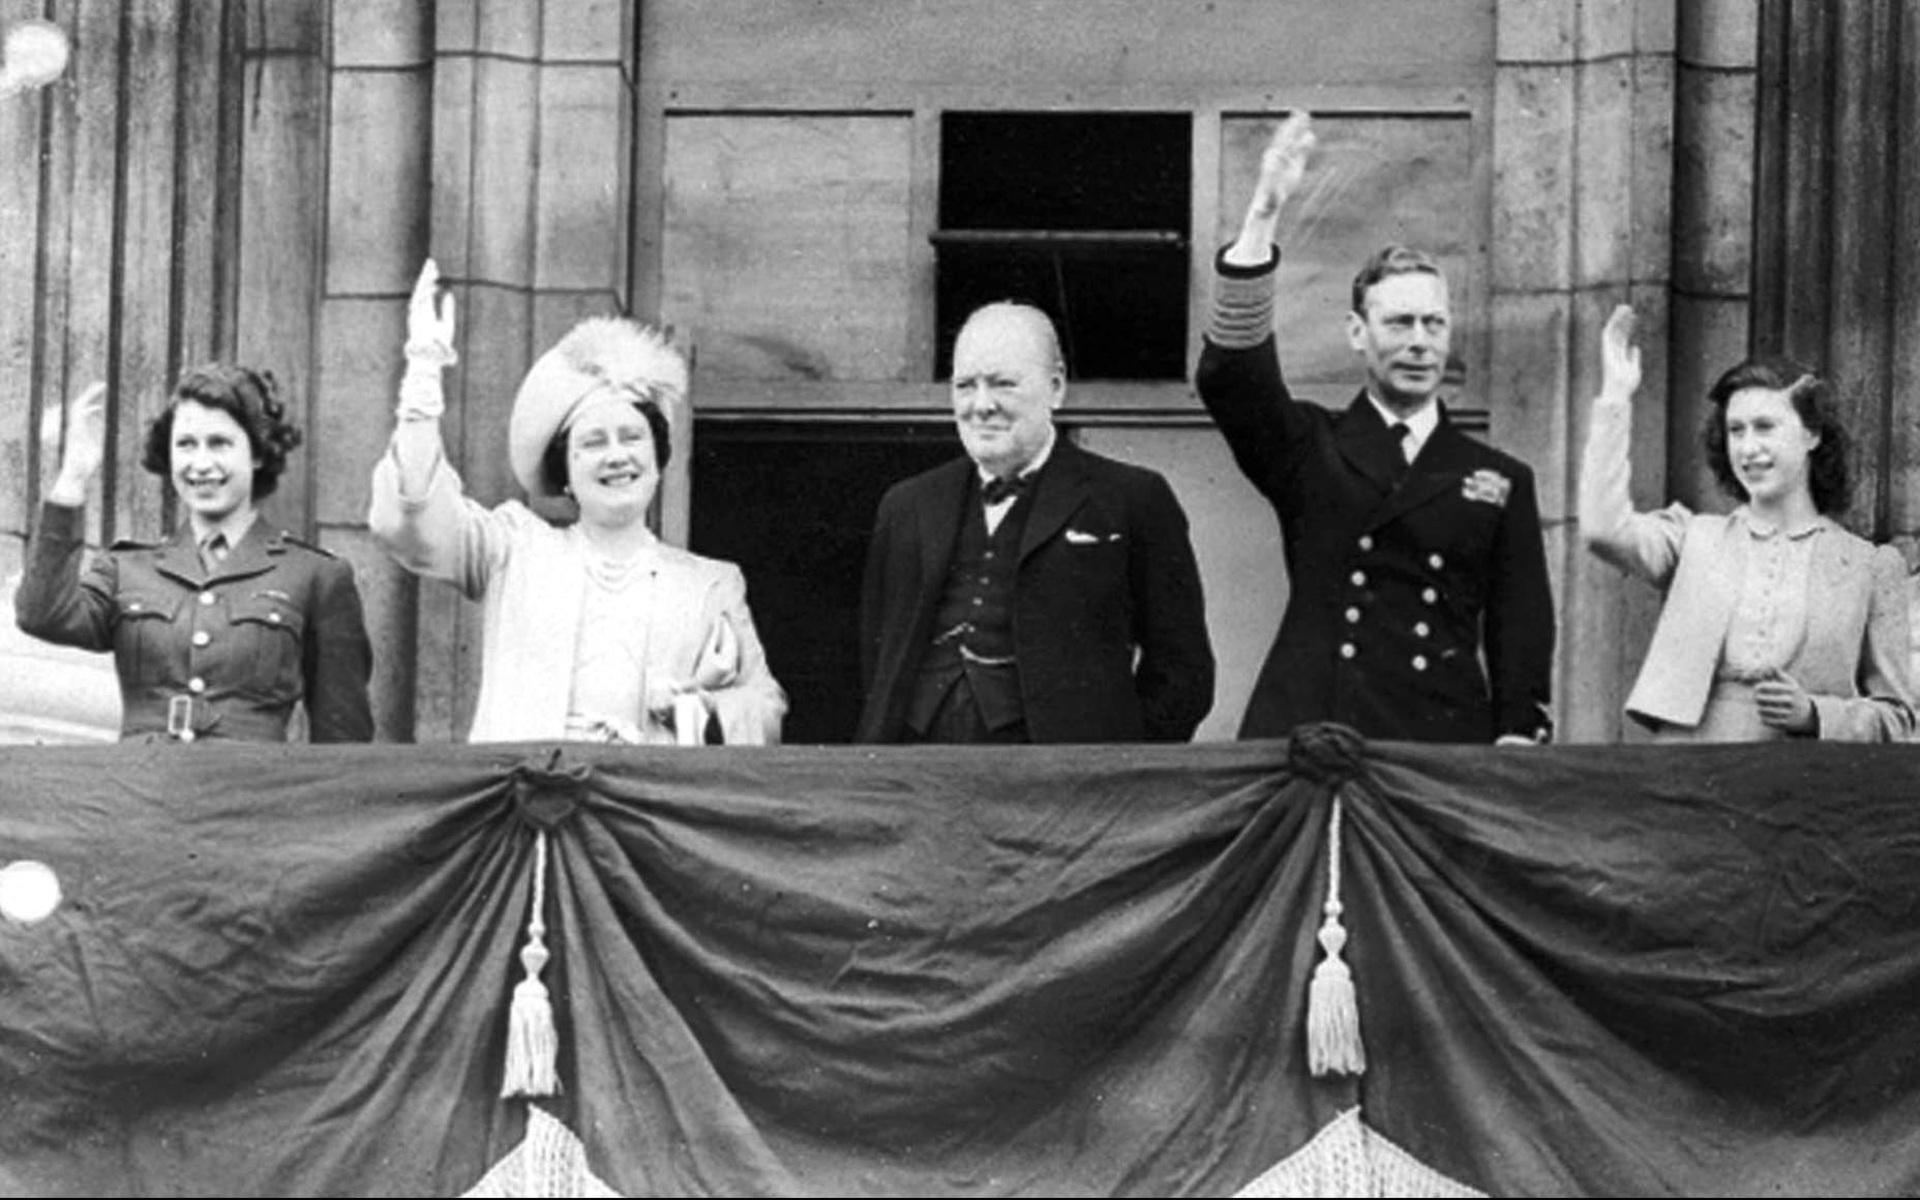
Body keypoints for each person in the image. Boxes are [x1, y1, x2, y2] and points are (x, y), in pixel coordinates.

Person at [1195, 112, 1556, 745]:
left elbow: (1519, 627)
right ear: (1357, 334)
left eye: (1433, 325)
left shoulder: (1499, 478)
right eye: (1399, 324)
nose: (1420, 343)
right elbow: (1233, 380)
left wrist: (1518, 737)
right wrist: (1263, 214)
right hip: (1313, 733)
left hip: (1439, 744)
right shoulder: (1310, 447)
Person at [368, 260, 786, 745]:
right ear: (565, 471)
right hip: (530, 805)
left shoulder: (711, 583)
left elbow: (765, 707)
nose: (616, 457)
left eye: (631, 437)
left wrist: (701, 709)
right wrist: (422, 380)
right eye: (593, 443)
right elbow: (415, 523)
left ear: (657, 458)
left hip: (646, 809)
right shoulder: (514, 548)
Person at [856, 301, 1214, 744]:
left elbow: (1183, 674)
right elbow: (878, 654)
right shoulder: (906, 504)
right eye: (965, 385)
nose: (981, 405)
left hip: (1061, 788)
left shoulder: (1131, 498)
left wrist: (1116, 772)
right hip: (918, 773)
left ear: (1056, 387)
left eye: (1003, 384)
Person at [1578, 305, 1915, 742]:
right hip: (1687, 770)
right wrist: (1615, 397)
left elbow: (1900, 719)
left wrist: (1817, 714)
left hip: (1802, 785)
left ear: (1812, 435)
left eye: (1765, 427)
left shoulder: (1870, 567)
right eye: (1736, 431)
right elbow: (1602, 528)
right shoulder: (1693, 538)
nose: (1748, 447)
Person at [15, 368, 374, 743]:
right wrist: (73, 477)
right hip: (141, 791)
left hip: (250, 796)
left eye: (219, 443)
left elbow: (342, 741)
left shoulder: (314, 575)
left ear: (256, 453)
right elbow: (40, 614)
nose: (200, 464)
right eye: (186, 444)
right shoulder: (127, 569)